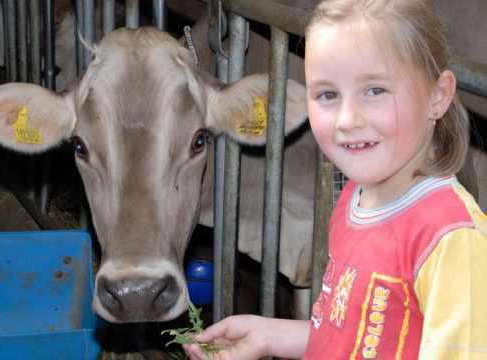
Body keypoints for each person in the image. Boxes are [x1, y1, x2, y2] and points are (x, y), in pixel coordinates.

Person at [183, 0, 487, 359]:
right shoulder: (356, 199)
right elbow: (348, 336)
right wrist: (267, 335)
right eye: (327, 94)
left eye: (375, 90)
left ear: (437, 97)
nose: (346, 119)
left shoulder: (449, 239)